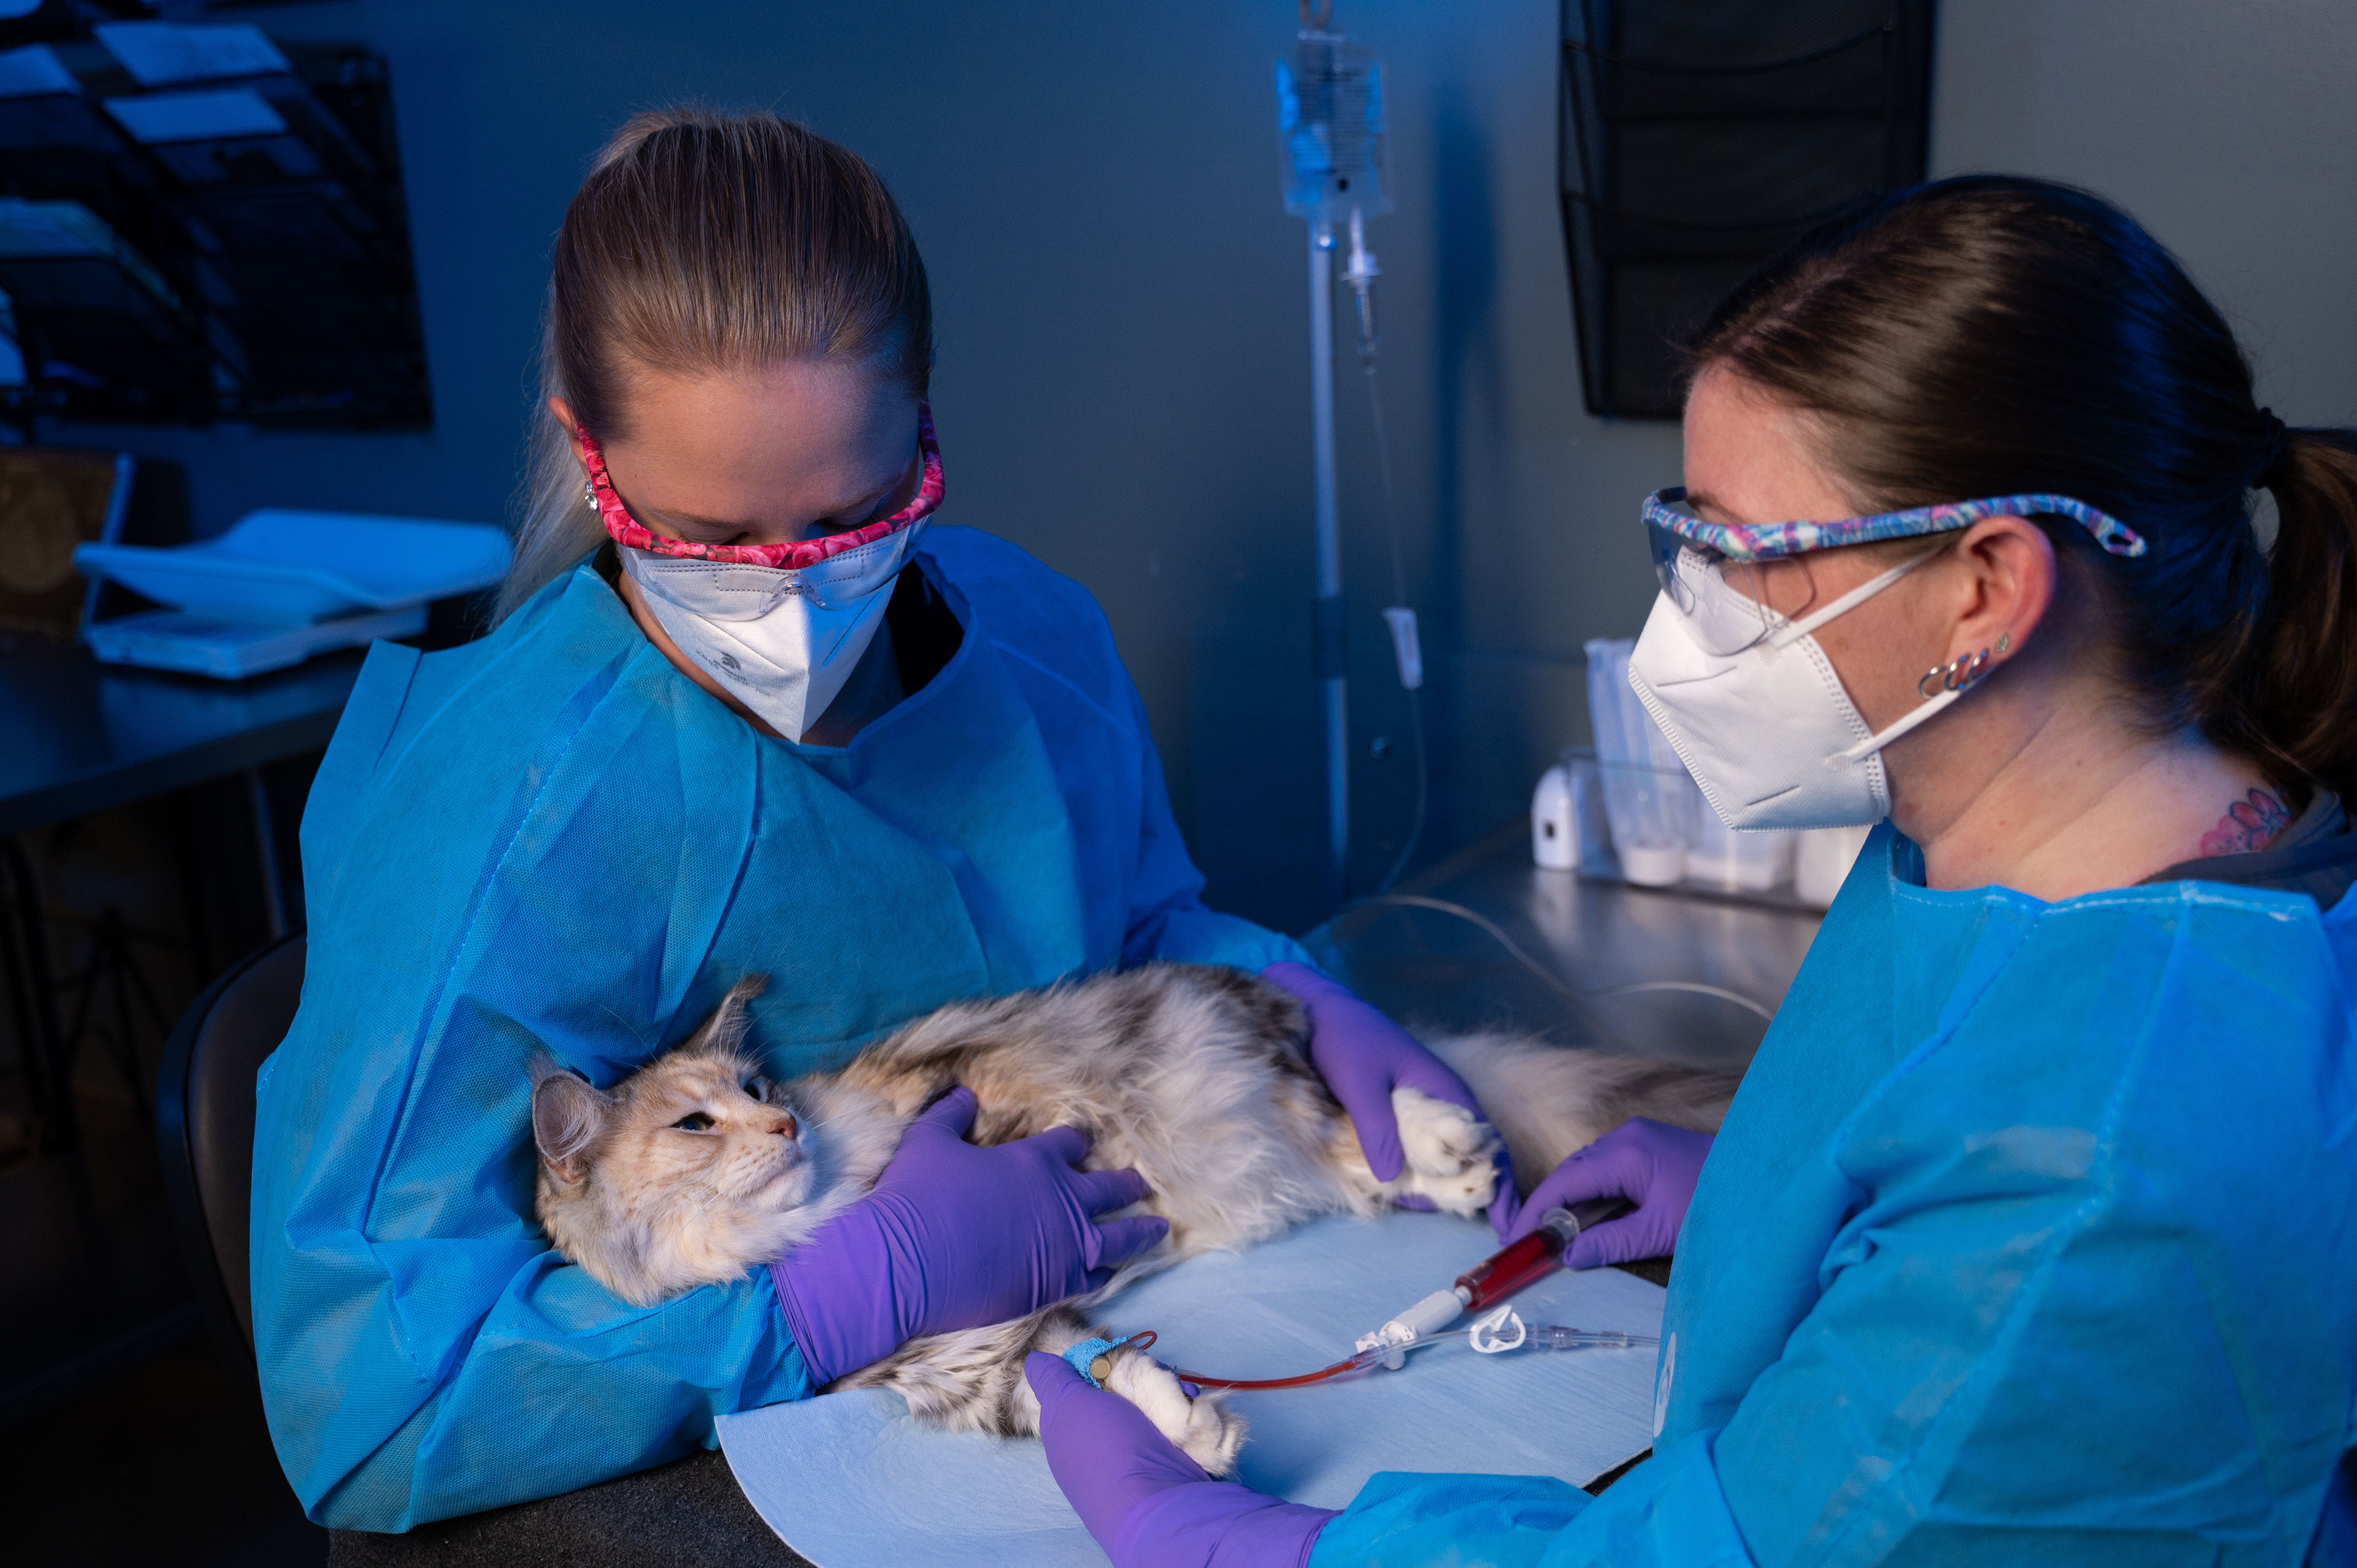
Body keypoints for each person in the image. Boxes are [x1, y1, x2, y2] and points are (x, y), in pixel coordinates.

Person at [1026, 175, 2357, 1564]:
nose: (1692, 612)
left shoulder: (2104, 1169)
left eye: (1744, 553)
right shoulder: (2023, 842)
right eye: (1687, 537)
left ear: (1985, 589)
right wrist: (1776, 1195)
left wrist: (1230, 1541)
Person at [250, 108, 1495, 1533]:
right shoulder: (493, 823)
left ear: (925, 420)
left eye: (850, 517)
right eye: (712, 544)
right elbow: (376, 1411)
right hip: (750, 1462)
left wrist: (1281, 982)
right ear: (588, 455)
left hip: (1155, 1292)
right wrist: (834, 1299)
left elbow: (1135, 915)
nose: (791, 601)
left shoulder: (1028, 641)